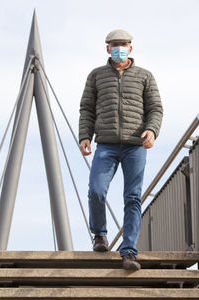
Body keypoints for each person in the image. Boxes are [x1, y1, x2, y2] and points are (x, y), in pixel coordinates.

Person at [79, 29, 163, 270]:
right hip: (105, 144)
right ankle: (100, 235)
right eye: (114, 44)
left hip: (135, 146)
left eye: (123, 44)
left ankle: (128, 253)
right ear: (107, 48)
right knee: (96, 190)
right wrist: (84, 135)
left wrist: (152, 130)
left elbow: (155, 108)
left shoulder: (145, 76)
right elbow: (87, 108)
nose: (119, 48)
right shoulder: (96, 76)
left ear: (130, 47)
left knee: (133, 198)